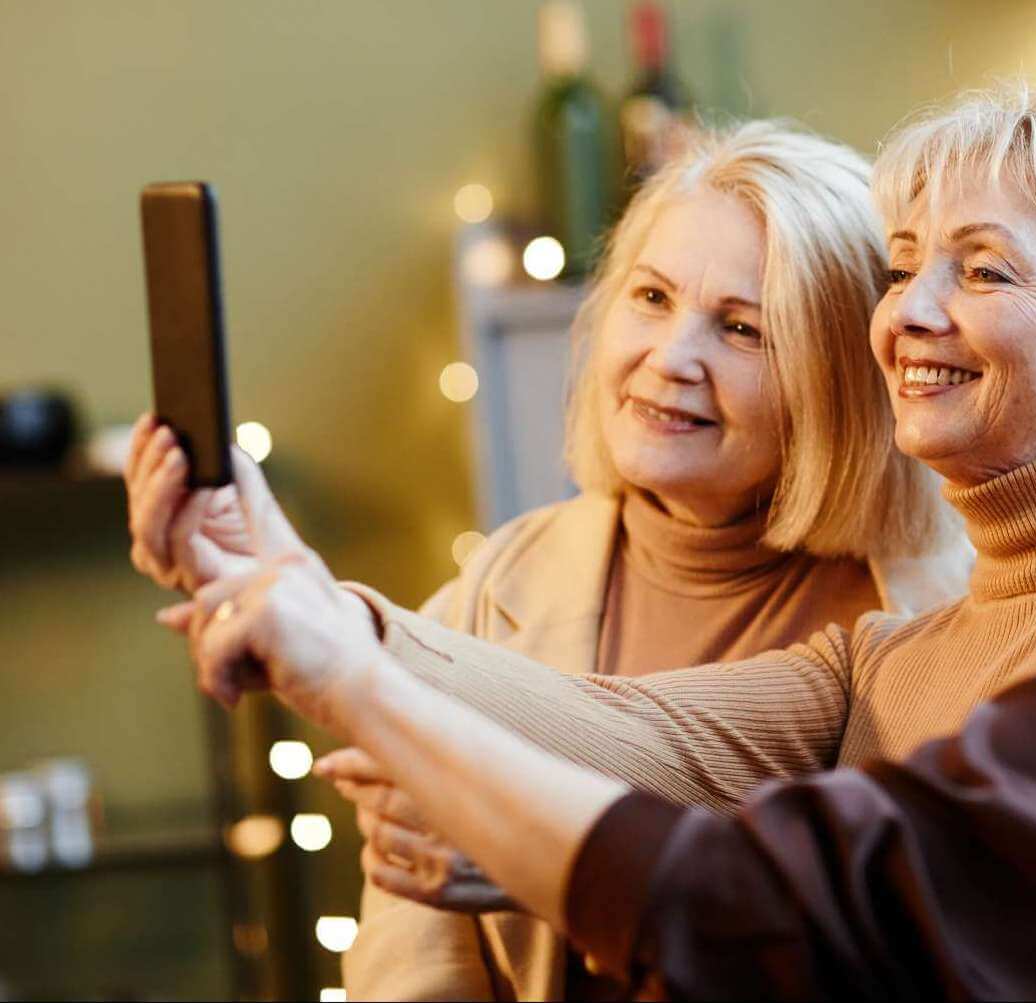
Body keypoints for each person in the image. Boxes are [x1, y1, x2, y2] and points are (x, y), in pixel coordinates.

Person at [161, 117, 1036, 998]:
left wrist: (365, 687)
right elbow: (641, 742)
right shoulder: (947, 646)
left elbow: (757, 900)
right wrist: (298, 601)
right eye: (903, 263)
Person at [123, 122, 969, 1000]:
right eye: (649, 297)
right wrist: (265, 584)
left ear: (837, 373)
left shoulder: (921, 628)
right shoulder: (508, 575)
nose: (670, 358)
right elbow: (407, 958)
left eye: (743, 330)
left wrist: (523, 852)